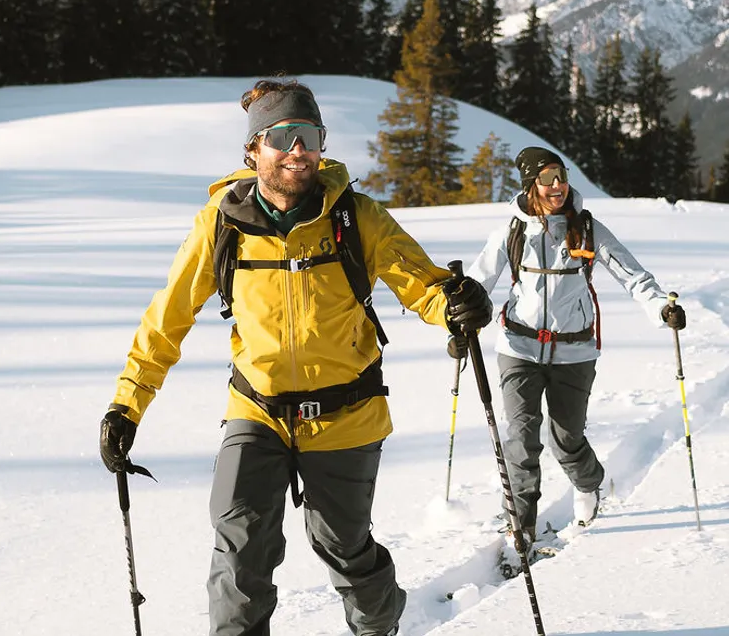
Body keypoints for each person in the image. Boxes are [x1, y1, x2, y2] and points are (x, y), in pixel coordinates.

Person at [99, 78, 492, 636]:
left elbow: (423, 287)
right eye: (283, 137)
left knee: (344, 548)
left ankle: (379, 626)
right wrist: (126, 406)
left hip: (346, 415)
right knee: (239, 552)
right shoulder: (222, 224)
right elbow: (167, 319)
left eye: (309, 135)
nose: (299, 151)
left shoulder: (357, 218)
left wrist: (456, 306)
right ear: (253, 148)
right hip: (257, 411)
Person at [457, 145, 685, 551]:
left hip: (574, 352)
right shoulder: (511, 231)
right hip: (518, 347)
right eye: (547, 179)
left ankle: (589, 487)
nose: (557, 186)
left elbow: (632, 275)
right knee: (521, 438)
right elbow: (478, 286)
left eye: (561, 176)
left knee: (566, 437)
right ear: (531, 184)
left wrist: (661, 308)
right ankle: (520, 525)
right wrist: (458, 325)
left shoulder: (589, 229)